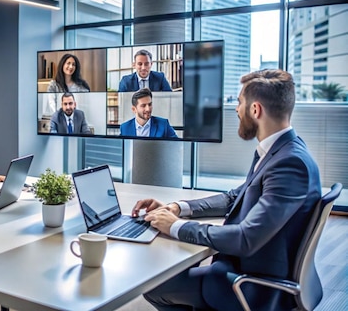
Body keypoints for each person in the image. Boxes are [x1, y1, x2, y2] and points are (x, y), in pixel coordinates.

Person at [132, 69, 321, 311]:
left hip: (254, 287)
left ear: (255, 110)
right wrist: (179, 209)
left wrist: (175, 226)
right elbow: (235, 197)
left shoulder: (289, 164)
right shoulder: (282, 151)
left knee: (154, 286)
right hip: (250, 268)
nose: (236, 109)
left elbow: (245, 238)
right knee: (173, 267)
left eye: (240, 102)